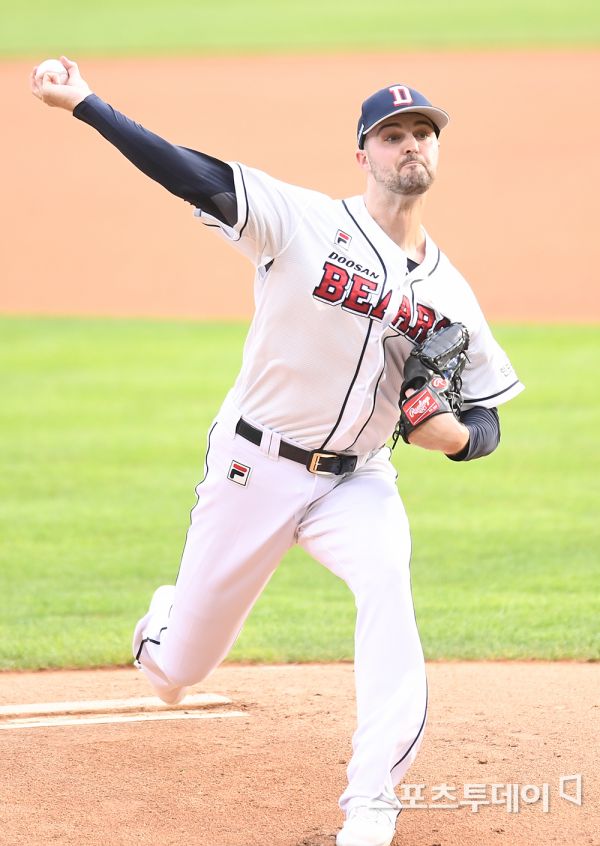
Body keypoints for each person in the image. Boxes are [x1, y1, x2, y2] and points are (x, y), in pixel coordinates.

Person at [31, 58, 523, 846]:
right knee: (179, 671)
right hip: (253, 467)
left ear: (437, 150)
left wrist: (458, 438)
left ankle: (372, 801)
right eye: (392, 135)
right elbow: (191, 175)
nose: (410, 145)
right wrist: (87, 103)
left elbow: (487, 413)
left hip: (357, 482)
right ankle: (162, 624)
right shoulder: (302, 220)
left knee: (387, 584)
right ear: (362, 153)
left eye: (422, 133)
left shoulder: (450, 294)